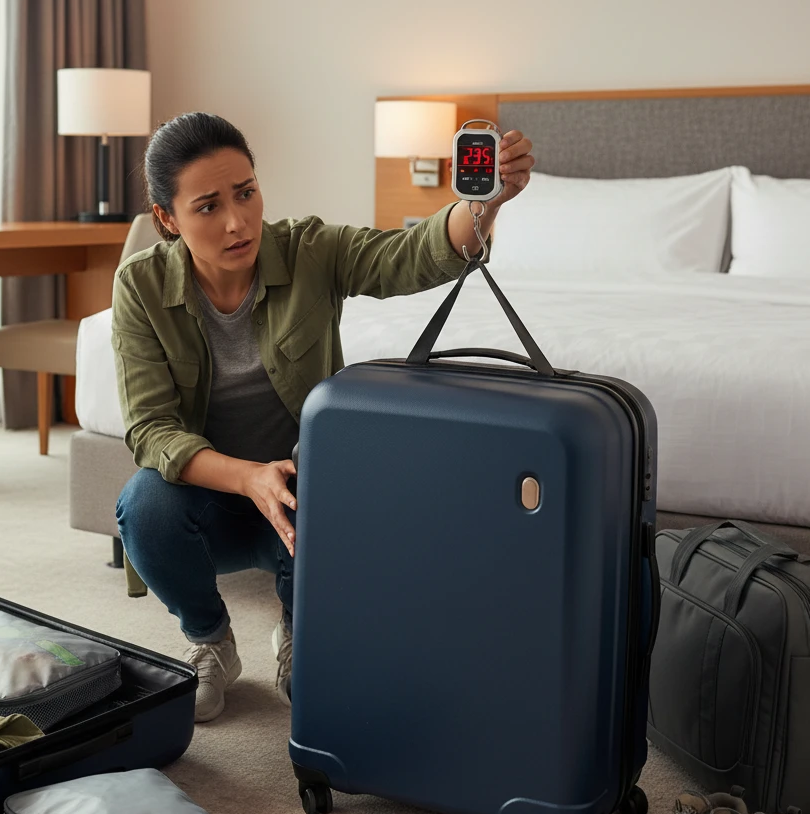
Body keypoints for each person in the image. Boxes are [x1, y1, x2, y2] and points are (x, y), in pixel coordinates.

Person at [113, 112, 534, 722]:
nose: (237, 222)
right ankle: (208, 638)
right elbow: (150, 429)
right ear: (167, 219)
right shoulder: (141, 285)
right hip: (205, 501)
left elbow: (409, 255)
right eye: (207, 207)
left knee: (336, 507)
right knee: (142, 505)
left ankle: (296, 629)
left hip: (305, 501)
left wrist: (484, 204)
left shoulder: (309, 250)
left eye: (246, 193)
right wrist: (248, 476)